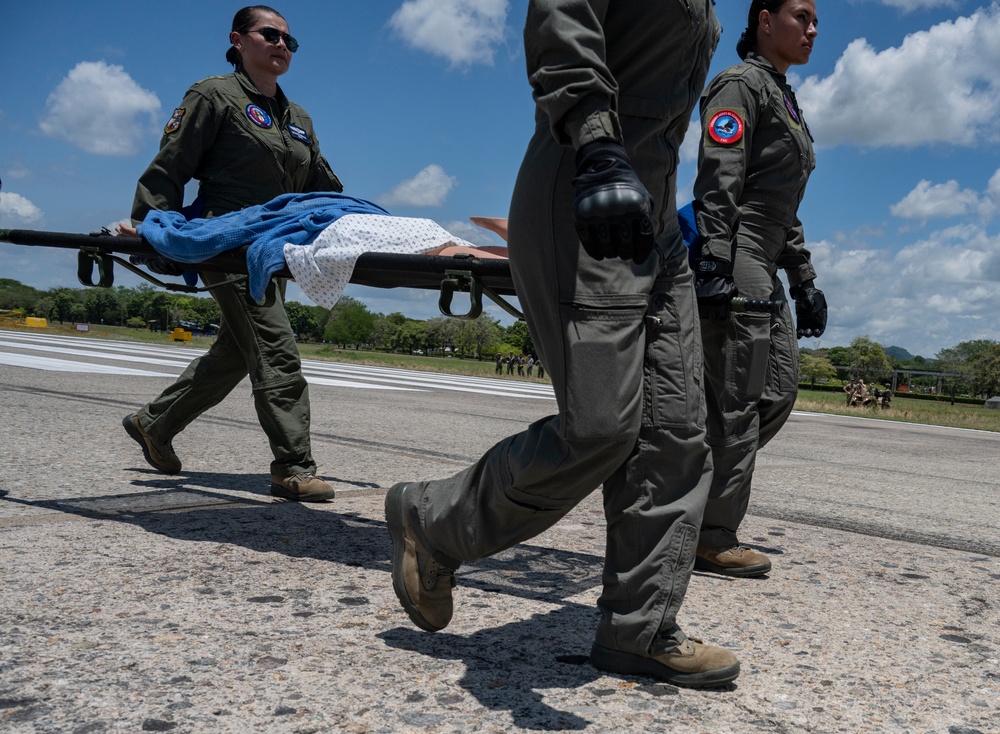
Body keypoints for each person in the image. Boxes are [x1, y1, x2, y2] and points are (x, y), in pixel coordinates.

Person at [385, 0, 738, 688]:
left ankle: (641, 629)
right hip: (589, 183)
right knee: (601, 428)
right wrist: (598, 144)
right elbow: (562, 18)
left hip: (654, 213)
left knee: (678, 432)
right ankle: (434, 520)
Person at [121, 5, 344, 502]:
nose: (282, 45)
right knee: (275, 348)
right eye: (270, 35)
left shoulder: (298, 118)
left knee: (235, 353)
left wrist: (362, 224)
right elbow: (170, 165)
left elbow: (322, 186)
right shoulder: (213, 96)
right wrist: (148, 224)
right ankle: (293, 466)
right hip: (225, 244)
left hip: (275, 249)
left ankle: (154, 423)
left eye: (290, 40)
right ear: (239, 40)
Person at [691, 0, 827, 577]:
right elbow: (721, 176)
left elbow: (783, 202)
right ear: (765, 21)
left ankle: (694, 508)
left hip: (768, 259)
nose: (812, 30)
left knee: (777, 391)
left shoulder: (783, 96)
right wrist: (716, 259)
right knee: (740, 398)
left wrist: (804, 277)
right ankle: (712, 534)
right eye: (801, 16)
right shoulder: (740, 86)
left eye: (817, 21)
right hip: (739, 252)